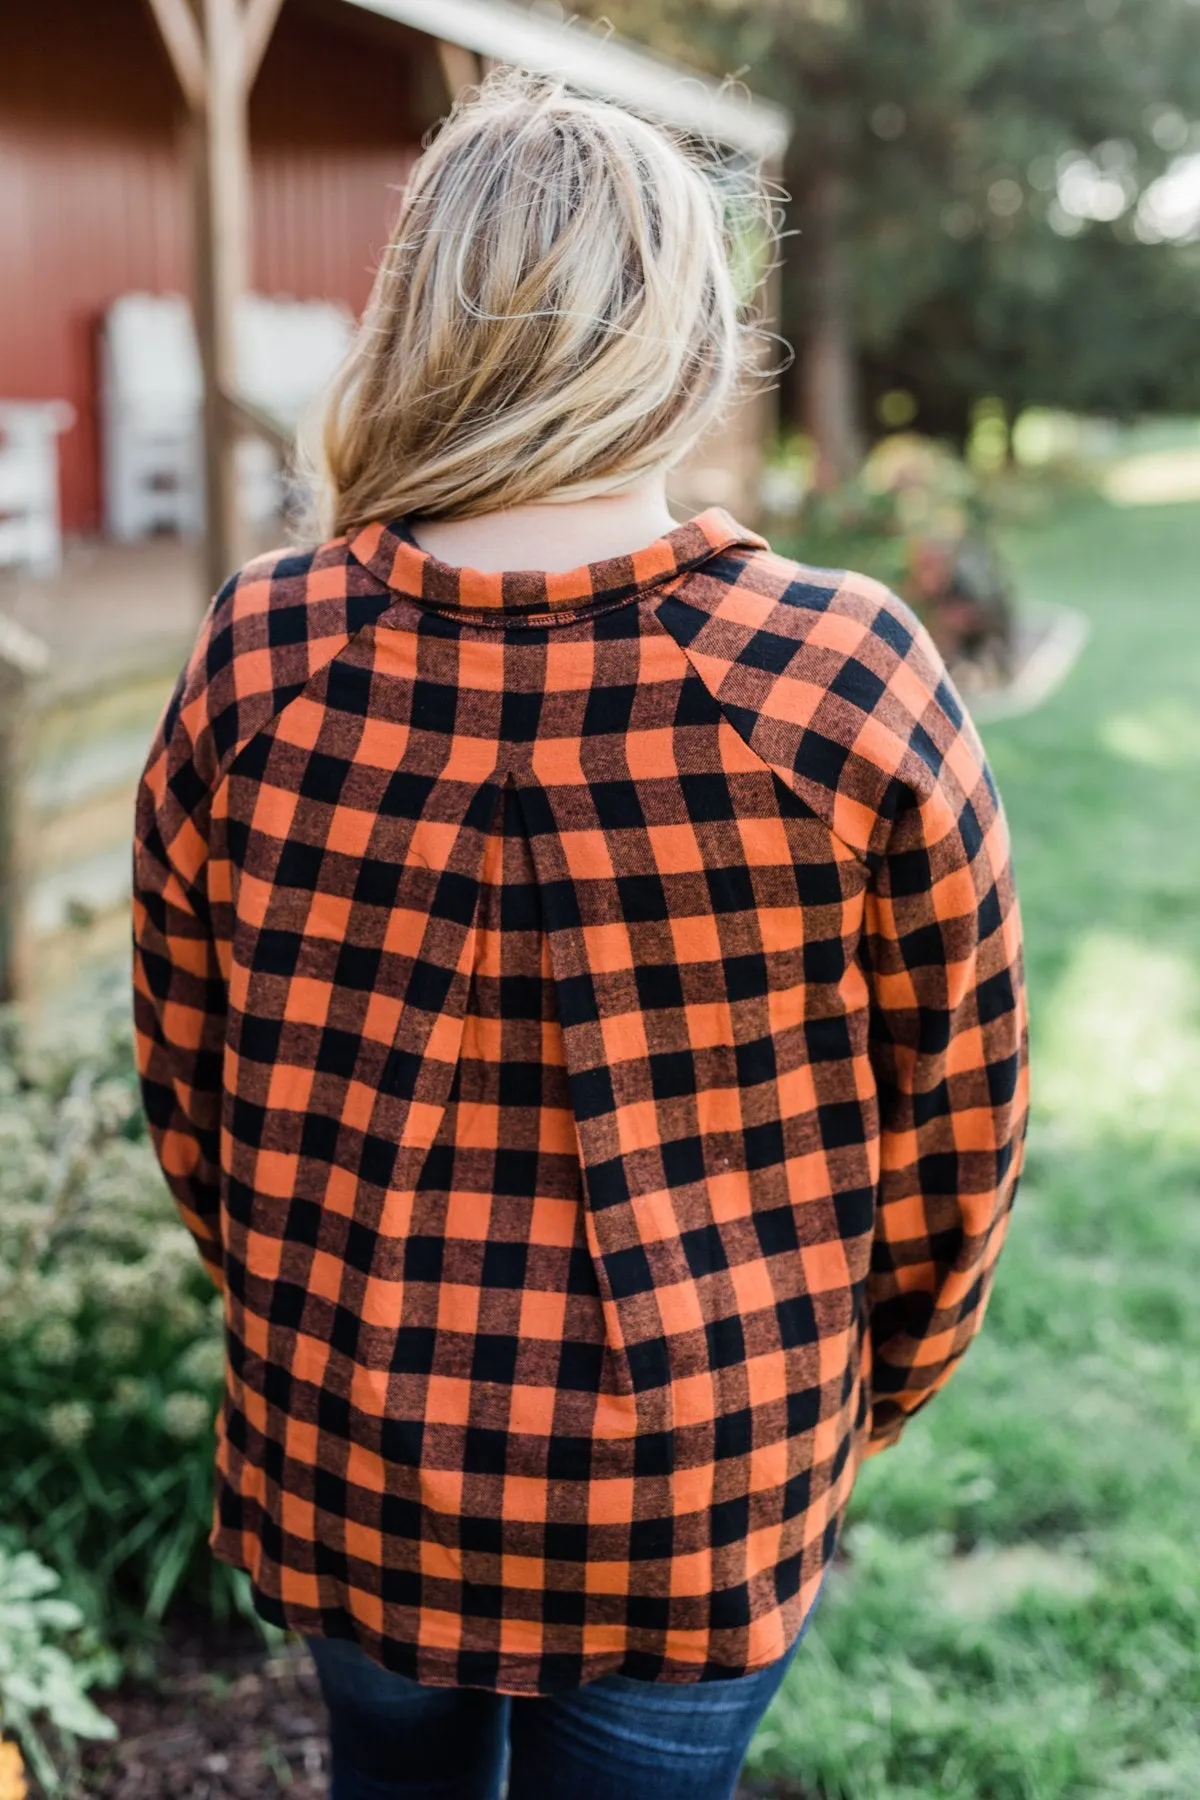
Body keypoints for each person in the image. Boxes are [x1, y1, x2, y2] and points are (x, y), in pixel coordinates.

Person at [131, 70, 1030, 1800]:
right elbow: (958, 1134)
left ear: (409, 321)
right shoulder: (836, 672)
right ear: (684, 334)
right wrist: (847, 1402)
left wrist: (320, 1316)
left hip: (356, 1444)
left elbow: (197, 1095)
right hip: (705, 1474)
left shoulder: (267, 652)